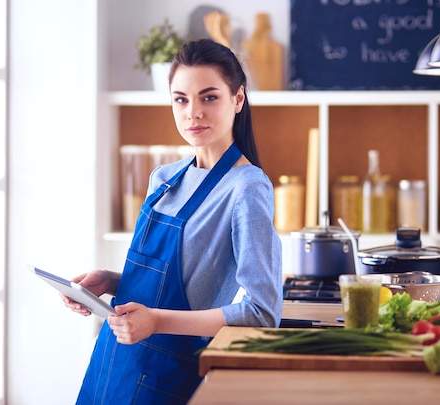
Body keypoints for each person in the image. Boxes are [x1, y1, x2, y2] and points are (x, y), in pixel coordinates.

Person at [63, 39, 283, 405]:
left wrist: (156, 322)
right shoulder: (164, 178)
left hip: (167, 375)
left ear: (238, 99)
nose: (192, 112)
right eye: (181, 99)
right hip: (113, 358)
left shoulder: (247, 188)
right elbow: (175, 282)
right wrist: (111, 281)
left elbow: (261, 312)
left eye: (209, 97)